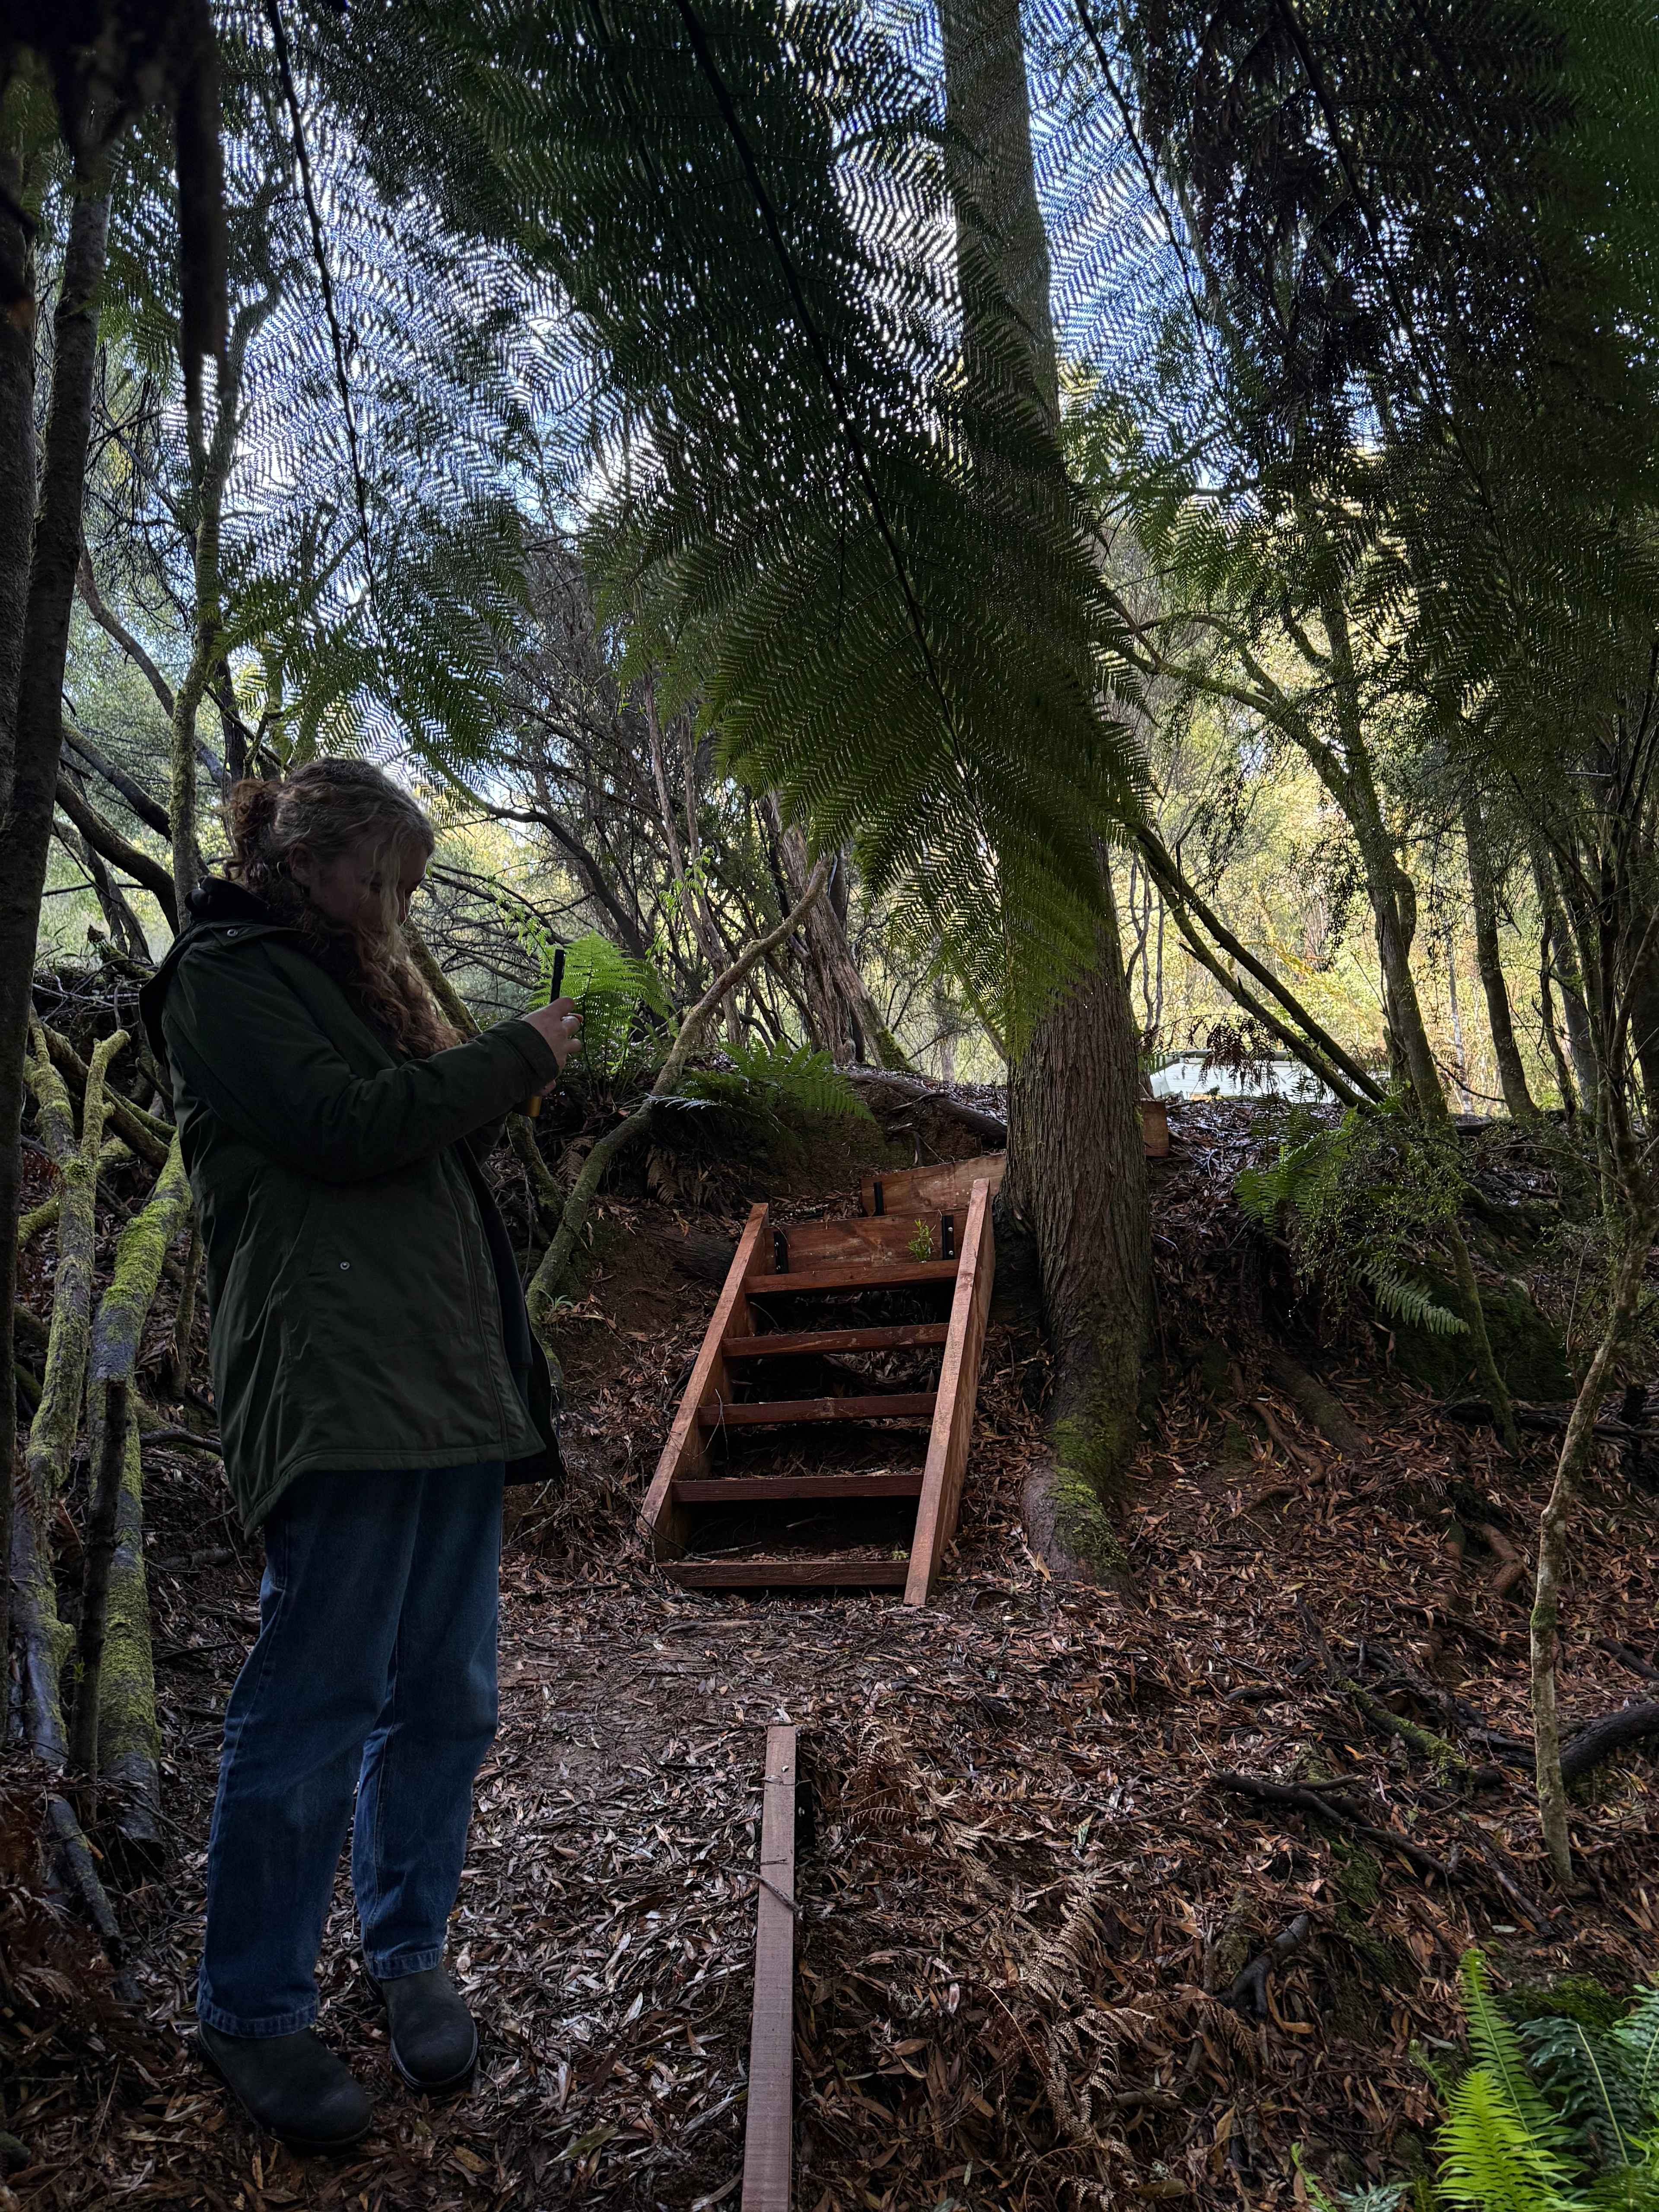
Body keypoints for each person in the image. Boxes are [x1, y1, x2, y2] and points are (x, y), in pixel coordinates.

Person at [139, 760, 582, 2152]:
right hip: (337, 1396)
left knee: (448, 1695)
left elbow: (417, 1177)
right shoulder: (224, 979)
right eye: (382, 880)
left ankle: (409, 1952)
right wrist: (514, 1056)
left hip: (442, 1393)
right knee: (315, 1703)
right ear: (309, 861)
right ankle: (253, 2007)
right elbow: (342, 1130)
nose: (396, 911)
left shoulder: (347, 986)